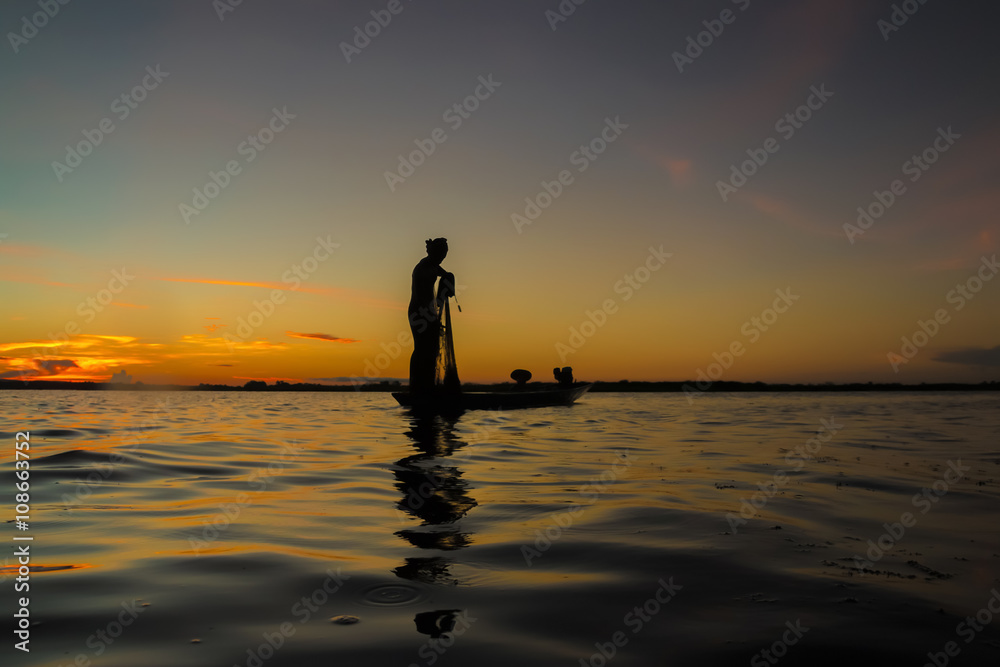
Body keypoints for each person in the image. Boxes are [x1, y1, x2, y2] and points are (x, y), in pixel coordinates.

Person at [408, 238, 457, 394]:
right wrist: (432, 318)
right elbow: (422, 297)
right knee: (422, 348)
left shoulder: (433, 265)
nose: (442, 258)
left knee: (432, 349)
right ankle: (418, 387)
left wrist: (449, 278)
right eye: (441, 254)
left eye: (444, 255)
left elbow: (445, 274)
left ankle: (426, 385)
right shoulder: (423, 268)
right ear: (434, 253)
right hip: (419, 312)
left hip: (427, 312)